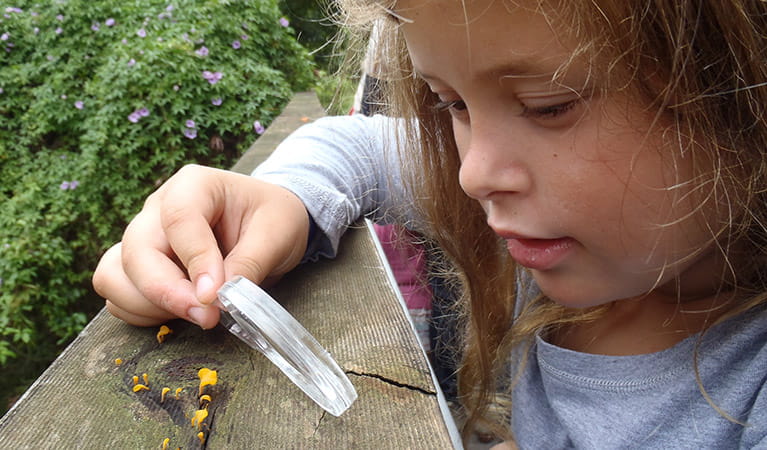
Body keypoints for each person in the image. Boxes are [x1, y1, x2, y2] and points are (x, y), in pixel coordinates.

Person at [92, 0, 767, 447]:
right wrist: (280, 203)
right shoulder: (595, 239)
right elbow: (350, 147)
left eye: (547, 104)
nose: (471, 174)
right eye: (451, 103)